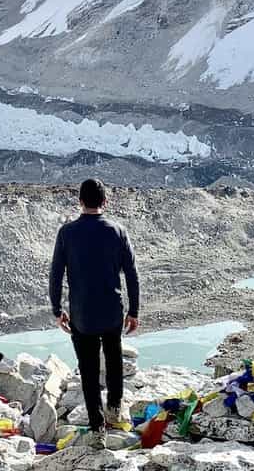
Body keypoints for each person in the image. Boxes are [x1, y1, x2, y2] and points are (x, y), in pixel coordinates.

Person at [49, 178, 141, 433]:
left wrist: (57, 311)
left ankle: (97, 427)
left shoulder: (67, 232)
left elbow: (56, 274)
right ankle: (115, 410)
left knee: (88, 371)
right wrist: (134, 311)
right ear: (105, 202)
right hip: (112, 310)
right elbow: (132, 274)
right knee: (113, 361)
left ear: (80, 201)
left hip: (82, 314)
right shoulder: (117, 231)